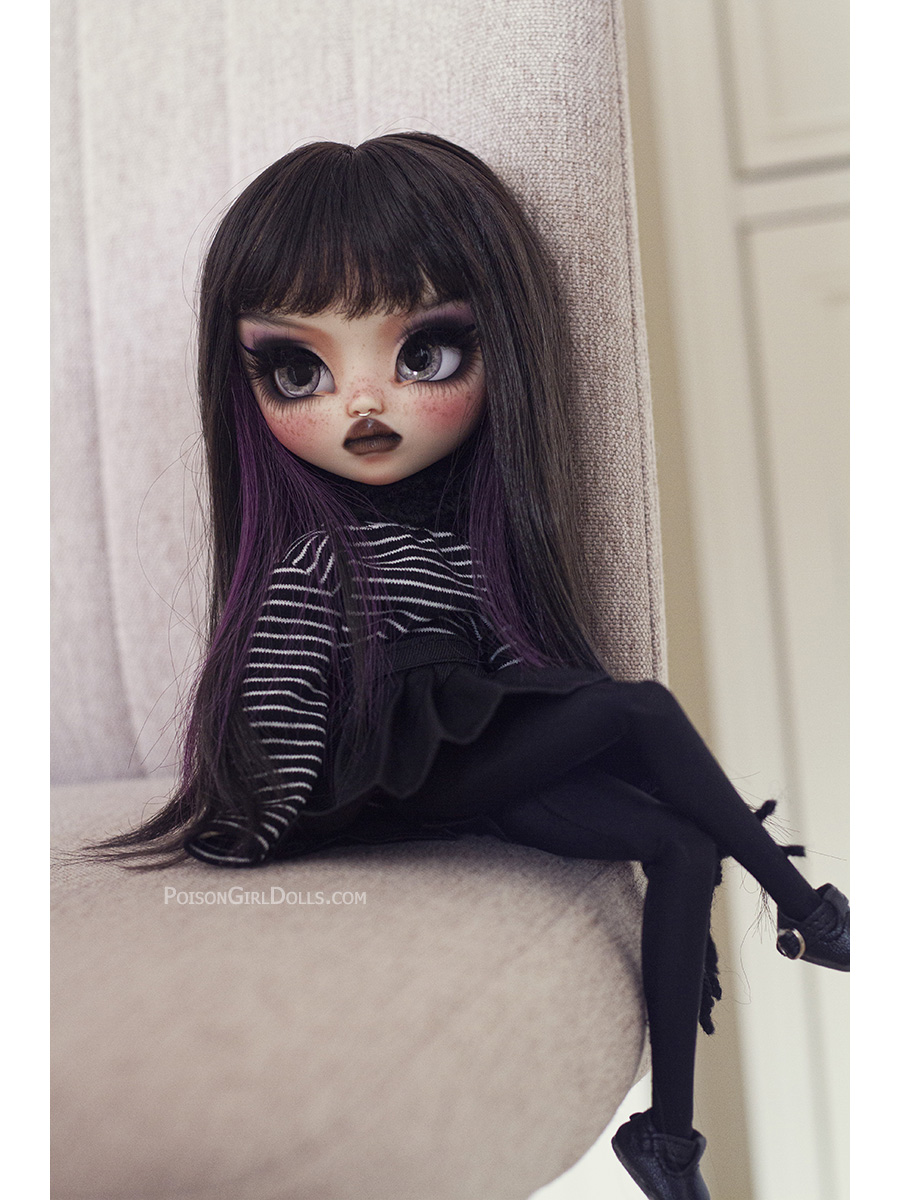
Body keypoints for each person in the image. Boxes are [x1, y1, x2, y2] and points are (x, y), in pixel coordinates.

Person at [84, 132, 849, 1200]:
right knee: (637, 708)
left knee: (679, 846)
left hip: (469, 755)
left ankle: (669, 1137)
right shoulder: (316, 564)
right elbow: (279, 694)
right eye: (300, 370)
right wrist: (260, 820)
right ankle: (807, 909)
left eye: (424, 356)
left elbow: (506, 668)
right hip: (393, 774)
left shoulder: (456, 553)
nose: (362, 404)